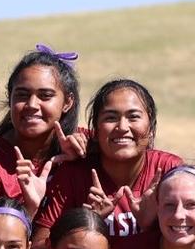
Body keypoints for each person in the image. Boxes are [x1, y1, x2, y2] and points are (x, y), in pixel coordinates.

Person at [38, 78, 183, 238]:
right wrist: (88, 223)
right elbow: (39, 248)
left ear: (151, 127)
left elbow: (194, 241)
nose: (122, 127)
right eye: (110, 118)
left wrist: (152, 225)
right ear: (95, 129)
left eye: (133, 117)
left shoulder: (170, 170)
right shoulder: (74, 173)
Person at [0, 47, 87, 216]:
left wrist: (88, 156)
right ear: (10, 97)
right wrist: (29, 209)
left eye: (45, 96)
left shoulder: (84, 144)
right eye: (22, 95)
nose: (32, 105)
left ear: (67, 102)